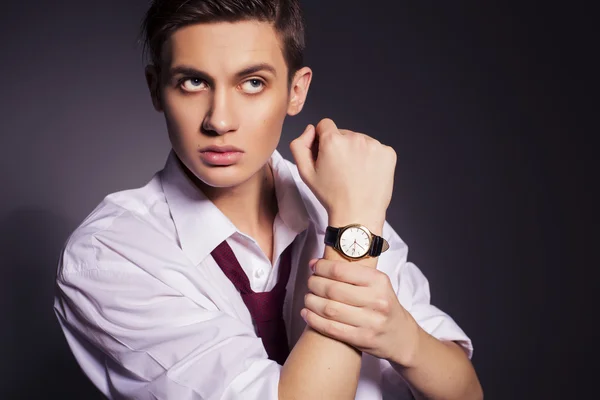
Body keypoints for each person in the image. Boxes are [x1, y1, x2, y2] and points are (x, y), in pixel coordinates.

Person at [54, 0, 483, 399]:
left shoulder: (331, 205)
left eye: (252, 82)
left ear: (296, 91)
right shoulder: (110, 254)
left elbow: (466, 390)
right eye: (194, 81)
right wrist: (354, 226)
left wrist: (402, 337)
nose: (219, 120)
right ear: (156, 88)